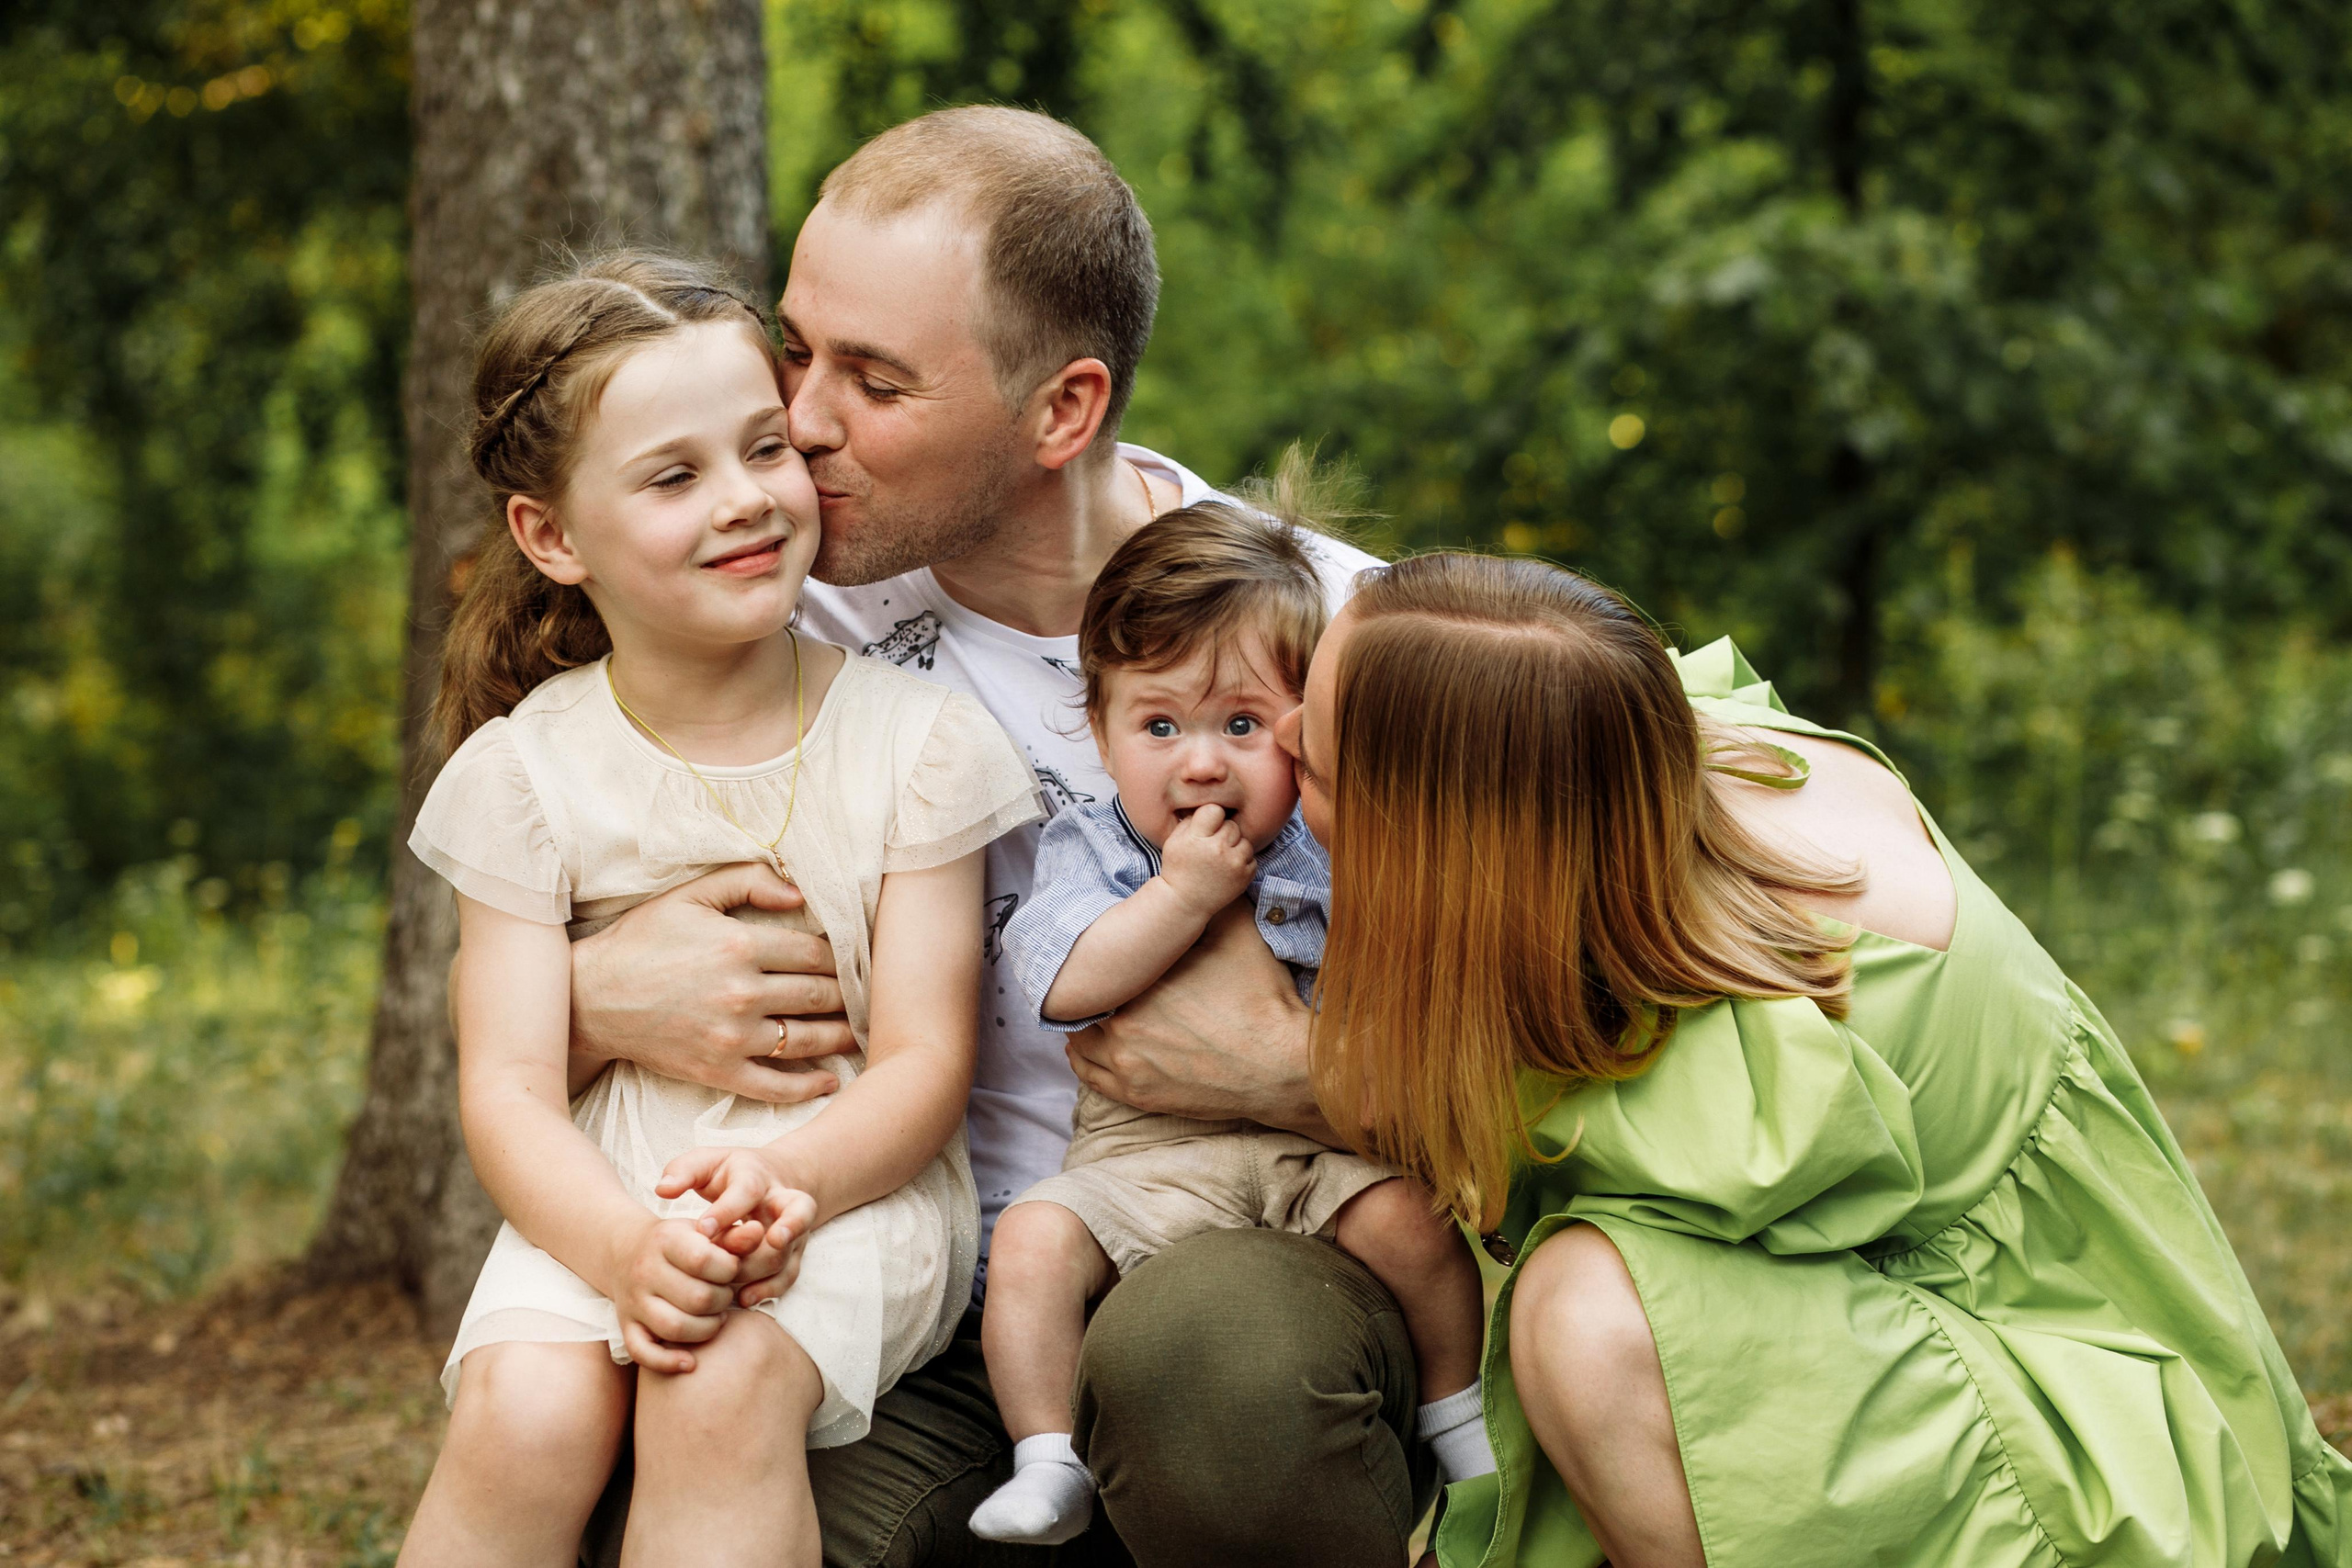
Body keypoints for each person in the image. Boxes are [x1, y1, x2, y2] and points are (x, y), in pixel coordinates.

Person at [558, 108, 1431, 1565]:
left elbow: (1579, 1048)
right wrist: (595, 997)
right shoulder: (752, 605)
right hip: (907, 1280)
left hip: (1255, 1242)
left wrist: (1308, 1078)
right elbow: (515, 985)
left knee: (1213, 1366)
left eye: (875, 379)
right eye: (798, 347)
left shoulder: (1342, 636)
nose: (804, 419)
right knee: (665, 1476)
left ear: (1062, 410)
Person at [1278, 552, 2352, 1568]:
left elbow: (1491, 1164)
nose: (1276, 737)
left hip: (2094, 1433)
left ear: (1440, 831)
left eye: (1314, 759)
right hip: (1965, 1322)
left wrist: (1263, 1066)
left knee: (1584, 1318)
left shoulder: (1779, 997)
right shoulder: (1620, 768)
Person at [398, 252, 1042, 1568]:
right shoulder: (520, 774)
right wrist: (627, 1241)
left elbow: (926, 1061)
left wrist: (785, 1179)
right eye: (673, 475)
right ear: (552, 536)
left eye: (764, 447)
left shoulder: (920, 744)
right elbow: (510, 1090)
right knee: (524, 1408)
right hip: (599, 1192)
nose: (747, 500)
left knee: (720, 1374)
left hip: (849, 1183)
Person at [969, 501, 1491, 1547]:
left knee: (1413, 1228)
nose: (1200, 764)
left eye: (1241, 726)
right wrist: (1180, 897)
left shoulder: (1337, 835)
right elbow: (1062, 981)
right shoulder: (1097, 845)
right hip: (1148, 1157)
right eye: (1159, 727)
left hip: (1320, 1146)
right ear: (1100, 730)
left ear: (1304, 727)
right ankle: (1047, 1454)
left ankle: (1460, 1416)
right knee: (1030, 1245)